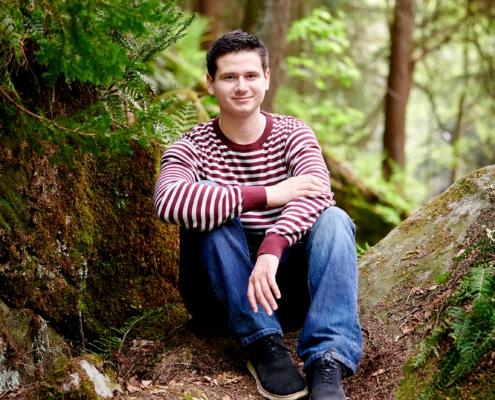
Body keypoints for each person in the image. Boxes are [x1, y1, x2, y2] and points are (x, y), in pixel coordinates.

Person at [154, 30, 362, 400]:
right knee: (210, 207)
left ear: (267, 78)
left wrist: (272, 245)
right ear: (210, 83)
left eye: (251, 75)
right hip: (220, 298)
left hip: (286, 291)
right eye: (229, 77)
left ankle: (326, 361)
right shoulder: (190, 147)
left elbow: (318, 192)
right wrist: (266, 195)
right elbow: (169, 202)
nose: (241, 87)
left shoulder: (293, 133)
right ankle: (264, 345)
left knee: (334, 219)